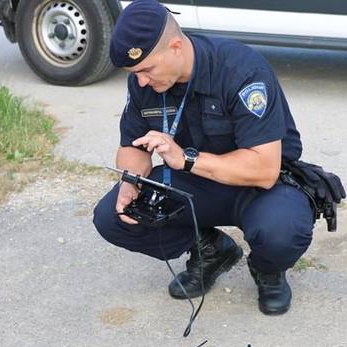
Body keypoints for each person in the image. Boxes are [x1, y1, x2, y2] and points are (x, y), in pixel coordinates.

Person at [93, 0, 315, 315]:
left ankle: (268, 268)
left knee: (282, 229)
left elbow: (265, 169)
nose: (141, 81)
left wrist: (186, 159)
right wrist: (130, 180)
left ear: (176, 47)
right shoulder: (143, 83)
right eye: (134, 73)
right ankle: (211, 249)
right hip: (196, 184)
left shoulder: (241, 70)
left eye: (146, 70)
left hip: (260, 186)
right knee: (113, 216)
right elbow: (132, 147)